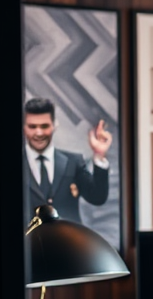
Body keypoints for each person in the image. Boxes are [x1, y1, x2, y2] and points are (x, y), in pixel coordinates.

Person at [23, 97, 112, 227]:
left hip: (67, 244)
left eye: (44, 126)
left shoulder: (73, 162)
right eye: (32, 126)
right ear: (24, 127)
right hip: (25, 245)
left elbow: (97, 197)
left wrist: (99, 155)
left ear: (55, 125)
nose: (39, 132)